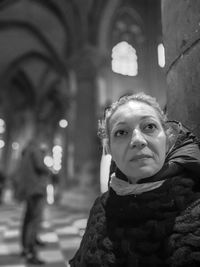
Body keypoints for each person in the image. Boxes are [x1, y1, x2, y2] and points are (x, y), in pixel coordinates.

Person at [69, 92, 200, 267]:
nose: (137, 140)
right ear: (110, 150)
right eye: (122, 132)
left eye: (149, 127)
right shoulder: (101, 207)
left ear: (167, 140)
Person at [19, 139, 50, 265]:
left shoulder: (26, 152)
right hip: (36, 189)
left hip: (28, 189)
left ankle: (25, 248)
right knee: (34, 221)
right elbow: (40, 166)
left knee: (28, 219)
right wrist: (48, 170)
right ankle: (31, 251)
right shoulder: (35, 150)